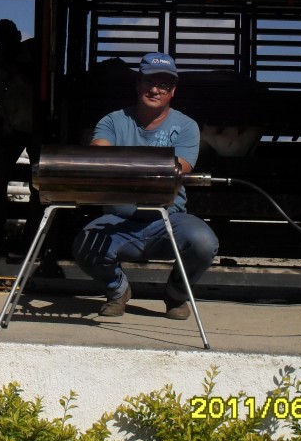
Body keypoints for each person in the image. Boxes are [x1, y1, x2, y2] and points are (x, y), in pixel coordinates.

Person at [72, 52, 219, 319]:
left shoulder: (186, 126)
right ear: (137, 84)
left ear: (173, 91)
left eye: (163, 84)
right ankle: (118, 290)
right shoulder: (113, 121)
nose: (154, 90)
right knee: (85, 243)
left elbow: (180, 167)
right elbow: (99, 154)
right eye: (149, 81)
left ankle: (176, 294)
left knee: (204, 242)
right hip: (118, 220)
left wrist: (121, 164)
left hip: (168, 219)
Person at [0, 19, 37, 248]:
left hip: (32, 128)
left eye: (7, 38)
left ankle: (31, 233)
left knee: (35, 182)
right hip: (12, 129)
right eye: (2, 40)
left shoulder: (31, 58)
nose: (5, 44)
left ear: (18, 36)